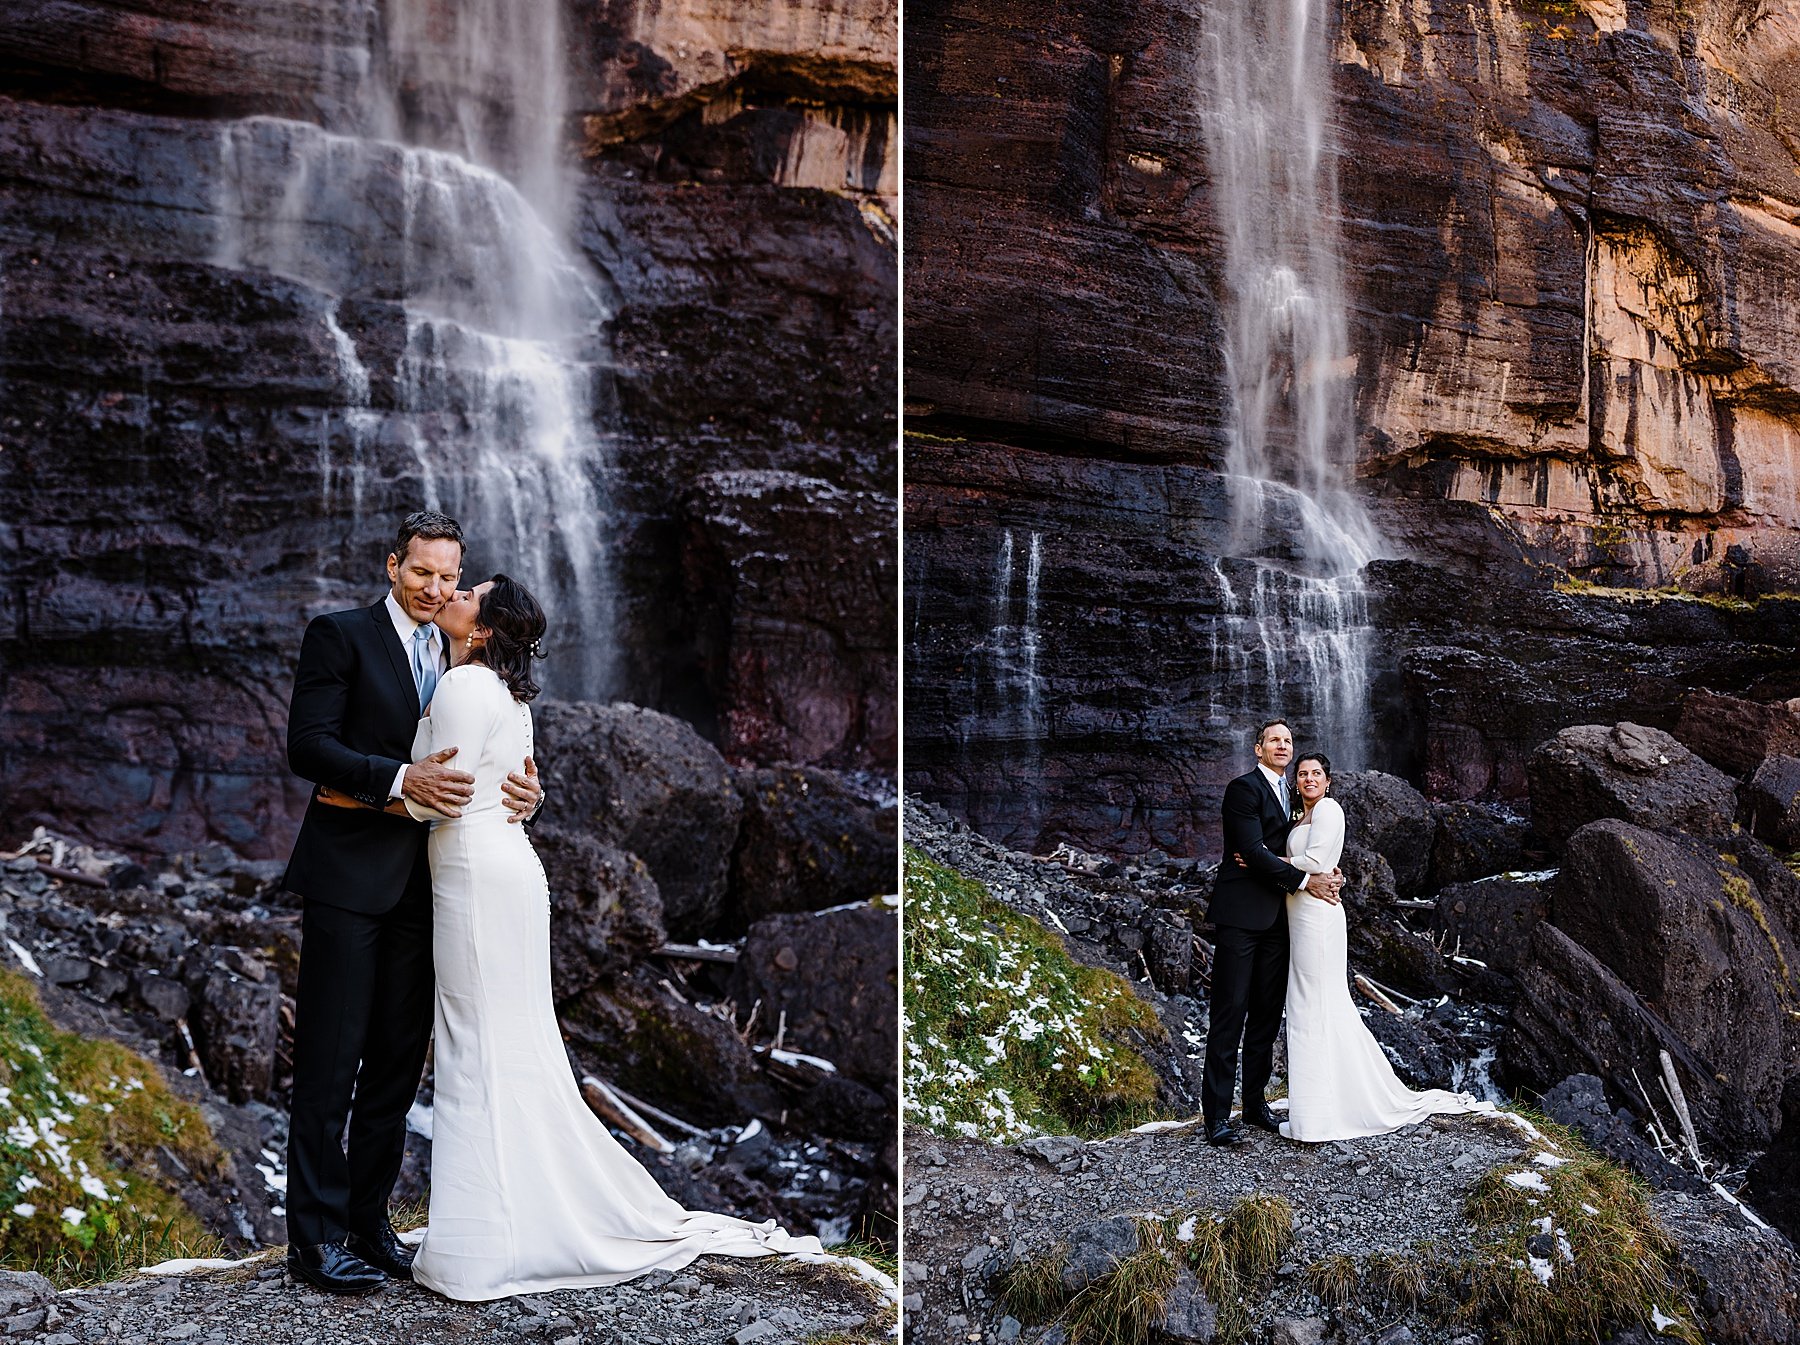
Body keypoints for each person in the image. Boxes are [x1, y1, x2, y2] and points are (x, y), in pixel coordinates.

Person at [319, 575, 821, 1299]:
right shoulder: (511, 696)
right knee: (509, 1041)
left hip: (472, 877)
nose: (453, 591)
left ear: (485, 628)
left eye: (470, 591)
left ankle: (481, 1244)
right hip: (511, 874)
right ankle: (512, 1216)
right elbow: (505, 783)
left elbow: (440, 798)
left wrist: (353, 793)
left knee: (475, 1045)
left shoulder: (463, 685)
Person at [282, 511, 543, 1295]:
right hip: (349, 883)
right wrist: (398, 781)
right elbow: (308, 745)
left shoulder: (462, 653)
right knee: (329, 1064)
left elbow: (495, 757)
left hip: (430, 887)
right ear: (394, 564)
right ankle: (315, 1241)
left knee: (395, 1067)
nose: (436, 588)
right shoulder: (339, 634)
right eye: (422, 572)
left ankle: (369, 1222)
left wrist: (523, 794)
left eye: (449, 576)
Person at [1278, 752, 1485, 1141]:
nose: (1308, 778)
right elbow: (1312, 862)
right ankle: (1316, 1108)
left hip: (1318, 918)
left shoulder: (1329, 809)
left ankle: (1325, 1114)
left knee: (1317, 1003)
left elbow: (1319, 858)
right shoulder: (1300, 816)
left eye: (1316, 773)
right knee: (1308, 1004)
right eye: (1302, 773)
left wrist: (1272, 860)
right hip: (1301, 914)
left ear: (1328, 781)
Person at [1200, 719, 1343, 1147]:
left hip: (1280, 920)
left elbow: (1296, 850)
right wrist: (1304, 880)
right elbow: (1251, 851)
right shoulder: (1242, 789)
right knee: (1230, 1012)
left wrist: (1325, 872)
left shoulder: (1298, 800)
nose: (1282, 746)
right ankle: (1217, 1117)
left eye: (1288, 741)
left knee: (1265, 1014)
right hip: (1242, 917)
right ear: (1257, 749)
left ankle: (1255, 1103)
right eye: (1274, 741)